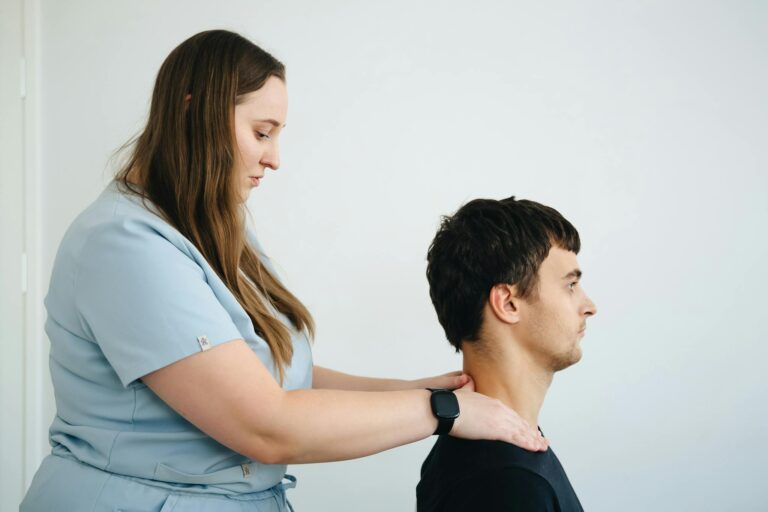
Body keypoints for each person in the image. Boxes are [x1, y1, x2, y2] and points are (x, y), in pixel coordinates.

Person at [19, 30, 548, 512]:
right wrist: (441, 411)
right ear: (192, 112)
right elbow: (264, 424)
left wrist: (407, 390)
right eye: (262, 132)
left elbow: (264, 372)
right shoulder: (124, 246)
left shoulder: (214, 227)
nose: (274, 158)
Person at [416, 197, 598, 511]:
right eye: (570, 285)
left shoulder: (500, 461)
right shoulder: (506, 484)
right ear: (508, 303)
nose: (589, 306)